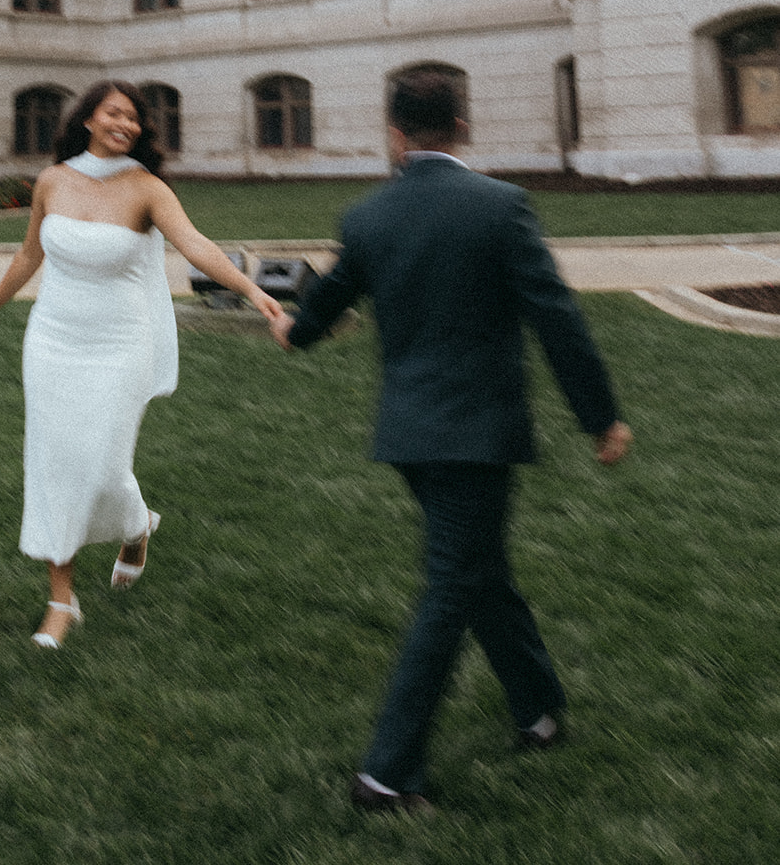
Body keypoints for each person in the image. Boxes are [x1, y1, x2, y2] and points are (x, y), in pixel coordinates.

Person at [270, 69, 632, 816]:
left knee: (479, 573)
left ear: (392, 134)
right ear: (463, 128)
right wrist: (599, 416)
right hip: (476, 435)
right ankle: (385, 775)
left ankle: (536, 709)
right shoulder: (501, 207)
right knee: (453, 586)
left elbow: (326, 301)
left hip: (408, 435)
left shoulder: (366, 216)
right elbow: (555, 317)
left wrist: (291, 331)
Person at [0, 79, 284, 647]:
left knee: (104, 468)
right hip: (54, 341)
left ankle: (135, 526)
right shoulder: (53, 180)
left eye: (134, 117)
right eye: (114, 112)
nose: (126, 124)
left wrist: (252, 290)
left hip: (120, 345)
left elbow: (196, 245)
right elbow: (29, 253)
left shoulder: (146, 189)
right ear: (87, 118)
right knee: (53, 464)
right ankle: (60, 599)